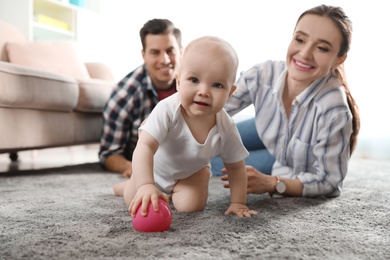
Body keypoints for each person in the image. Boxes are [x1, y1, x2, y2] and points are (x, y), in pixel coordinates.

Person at [212, 4, 360, 198]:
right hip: (269, 131)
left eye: (322, 48)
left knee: (215, 162)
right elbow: (212, 109)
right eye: (300, 39)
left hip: (287, 165)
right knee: (206, 143)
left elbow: (329, 182)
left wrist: (273, 183)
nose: (305, 54)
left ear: (339, 59)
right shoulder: (262, 75)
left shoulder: (334, 111)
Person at [113, 36, 257, 218]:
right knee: (134, 199)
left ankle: (175, 190)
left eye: (217, 85)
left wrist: (238, 203)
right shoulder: (167, 109)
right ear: (178, 81)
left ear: (230, 93)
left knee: (191, 206)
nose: (203, 91)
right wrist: (146, 185)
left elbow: (236, 167)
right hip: (154, 170)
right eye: (194, 80)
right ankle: (130, 185)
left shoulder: (225, 126)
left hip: (191, 174)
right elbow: (145, 146)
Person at [99, 19, 182, 178]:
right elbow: (108, 154)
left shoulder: (198, 84)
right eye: (155, 52)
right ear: (144, 55)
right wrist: (133, 166)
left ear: (181, 52)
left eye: (170, 50)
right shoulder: (123, 96)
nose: (164, 60)